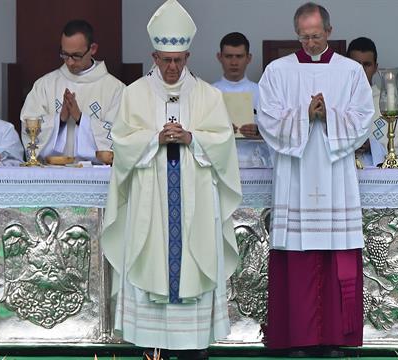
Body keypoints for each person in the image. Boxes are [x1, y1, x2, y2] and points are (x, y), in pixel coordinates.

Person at [101, 1, 242, 359]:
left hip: (195, 200)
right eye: (165, 59)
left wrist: (193, 138)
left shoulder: (209, 95)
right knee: (152, 263)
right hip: (151, 201)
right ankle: (152, 346)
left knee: (192, 269)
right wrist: (154, 139)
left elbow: (224, 142)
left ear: (188, 56)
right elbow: (121, 140)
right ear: (154, 55)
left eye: (179, 59)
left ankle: (194, 348)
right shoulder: (134, 93)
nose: (172, 67)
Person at [257, 2, 374, 354]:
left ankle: (337, 338)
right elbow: (267, 118)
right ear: (297, 34)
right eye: (304, 36)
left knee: (334, 253)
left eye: (316, 35)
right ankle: (298, 337)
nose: (310, 42)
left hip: (335, 174)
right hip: (296, 175)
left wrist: (330, 116)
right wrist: (305, 116)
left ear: (329, 31)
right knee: (298, 257)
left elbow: (364, 116)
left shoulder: (350, 71)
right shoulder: (278, 71)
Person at [20, 20, 125, 162]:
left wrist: (81, 119)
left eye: (76, 55)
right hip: (52, 174)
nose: (69, 62)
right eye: (65, 54)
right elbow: (28, 126)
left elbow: (122, 136)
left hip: (96, 177)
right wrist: (60, 120)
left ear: (93, 49)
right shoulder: (45, 85)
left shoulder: (115, 89)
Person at [347, 37, 398, 166]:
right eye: (356, 64)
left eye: (367, 64)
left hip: (378, 182)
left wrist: (372, 147)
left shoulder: (391, 105)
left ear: (375, 68)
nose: (361, 70)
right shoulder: (333, 102)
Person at [212, 32, 271, 168]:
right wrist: (220, 130)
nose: (234, 62)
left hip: (255, 163)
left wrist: (259, 131)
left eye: (239, 56)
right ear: (219, 57)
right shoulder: (209, 93)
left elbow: (276, 130)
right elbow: (199, 132)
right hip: (221, 164)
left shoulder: (262, 93)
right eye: (228, 56)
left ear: (248, 58)